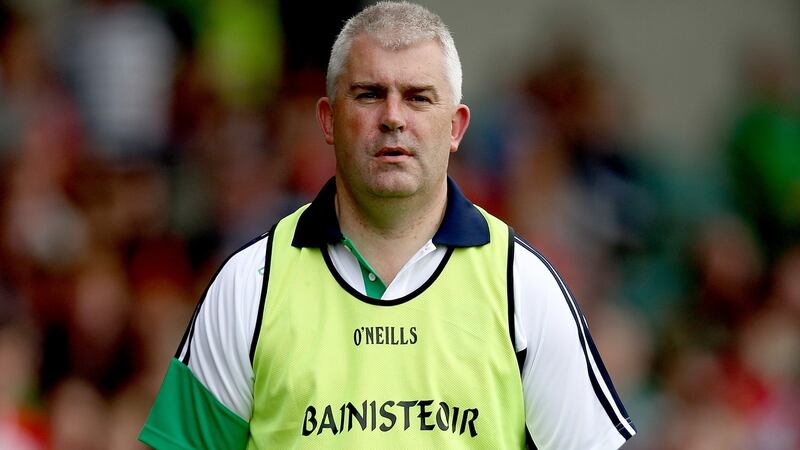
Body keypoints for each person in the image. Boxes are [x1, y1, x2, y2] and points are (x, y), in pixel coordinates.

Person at [138, 2, 636, 449]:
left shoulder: (523, 285)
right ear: (328, 120)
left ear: (457, 126)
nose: (394, 117)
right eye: (370, 94)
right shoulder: (250, 283)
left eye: (419, 97)